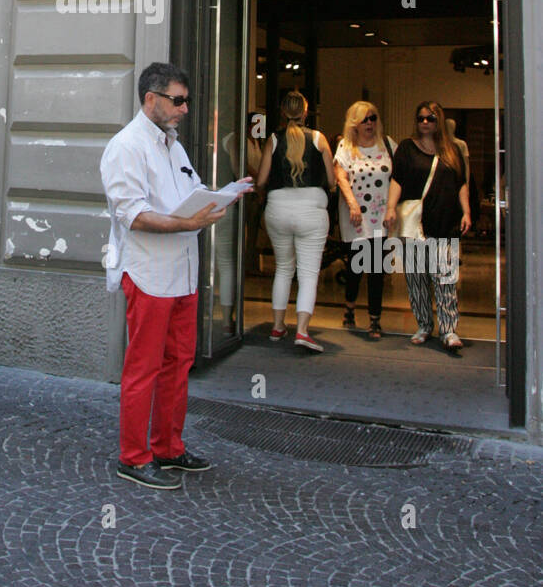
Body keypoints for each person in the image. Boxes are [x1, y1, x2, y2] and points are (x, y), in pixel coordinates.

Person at [101, 62, 242, 490]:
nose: (185, 108)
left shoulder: (173, 145)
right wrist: (187, 223)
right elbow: (133, 215)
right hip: (147, 272)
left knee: (178, 363)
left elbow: (189, 194)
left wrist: (218, 202)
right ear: (151, 100)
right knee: (143, 366)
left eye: (186, 100)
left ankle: (168, 447)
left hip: (182, 272)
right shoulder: (126, 146)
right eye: (177, 100)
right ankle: (133, 456)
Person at [384, 101, 471, 354]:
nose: (424, 123)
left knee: (445, 279)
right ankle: (424, 325)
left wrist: (466, 211)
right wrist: (390, 208)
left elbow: (461, 183)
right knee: (416, 278)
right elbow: (397, 180)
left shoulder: (453, 150)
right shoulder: (407, 148)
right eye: (421, 118)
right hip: (414, 224)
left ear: (439, 121)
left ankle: (448, 329)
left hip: (444, 220)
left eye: (430, 118)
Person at [256, 91, 335, 353]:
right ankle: (302, 330)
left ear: (282, 112)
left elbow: (262, 180)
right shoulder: (319, 139)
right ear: (306, 110)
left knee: (283, 269)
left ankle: (278, 326)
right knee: (308, 273)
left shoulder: (274, 140)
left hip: (278, 208)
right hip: (312, 210)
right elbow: (333, 181)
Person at [334, 101, 397, 341]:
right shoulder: (347, 147)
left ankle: (375, 319)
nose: (369, 123)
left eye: (373, 118)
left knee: (376, 269)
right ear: (354, 123)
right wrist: (352, 205)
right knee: (355, 267)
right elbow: (340, 177)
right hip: (356, 217)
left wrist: (392, 208)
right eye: (364, 119)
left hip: (380, 216)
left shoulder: (388, 145)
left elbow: (398, 177)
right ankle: (350, 307)